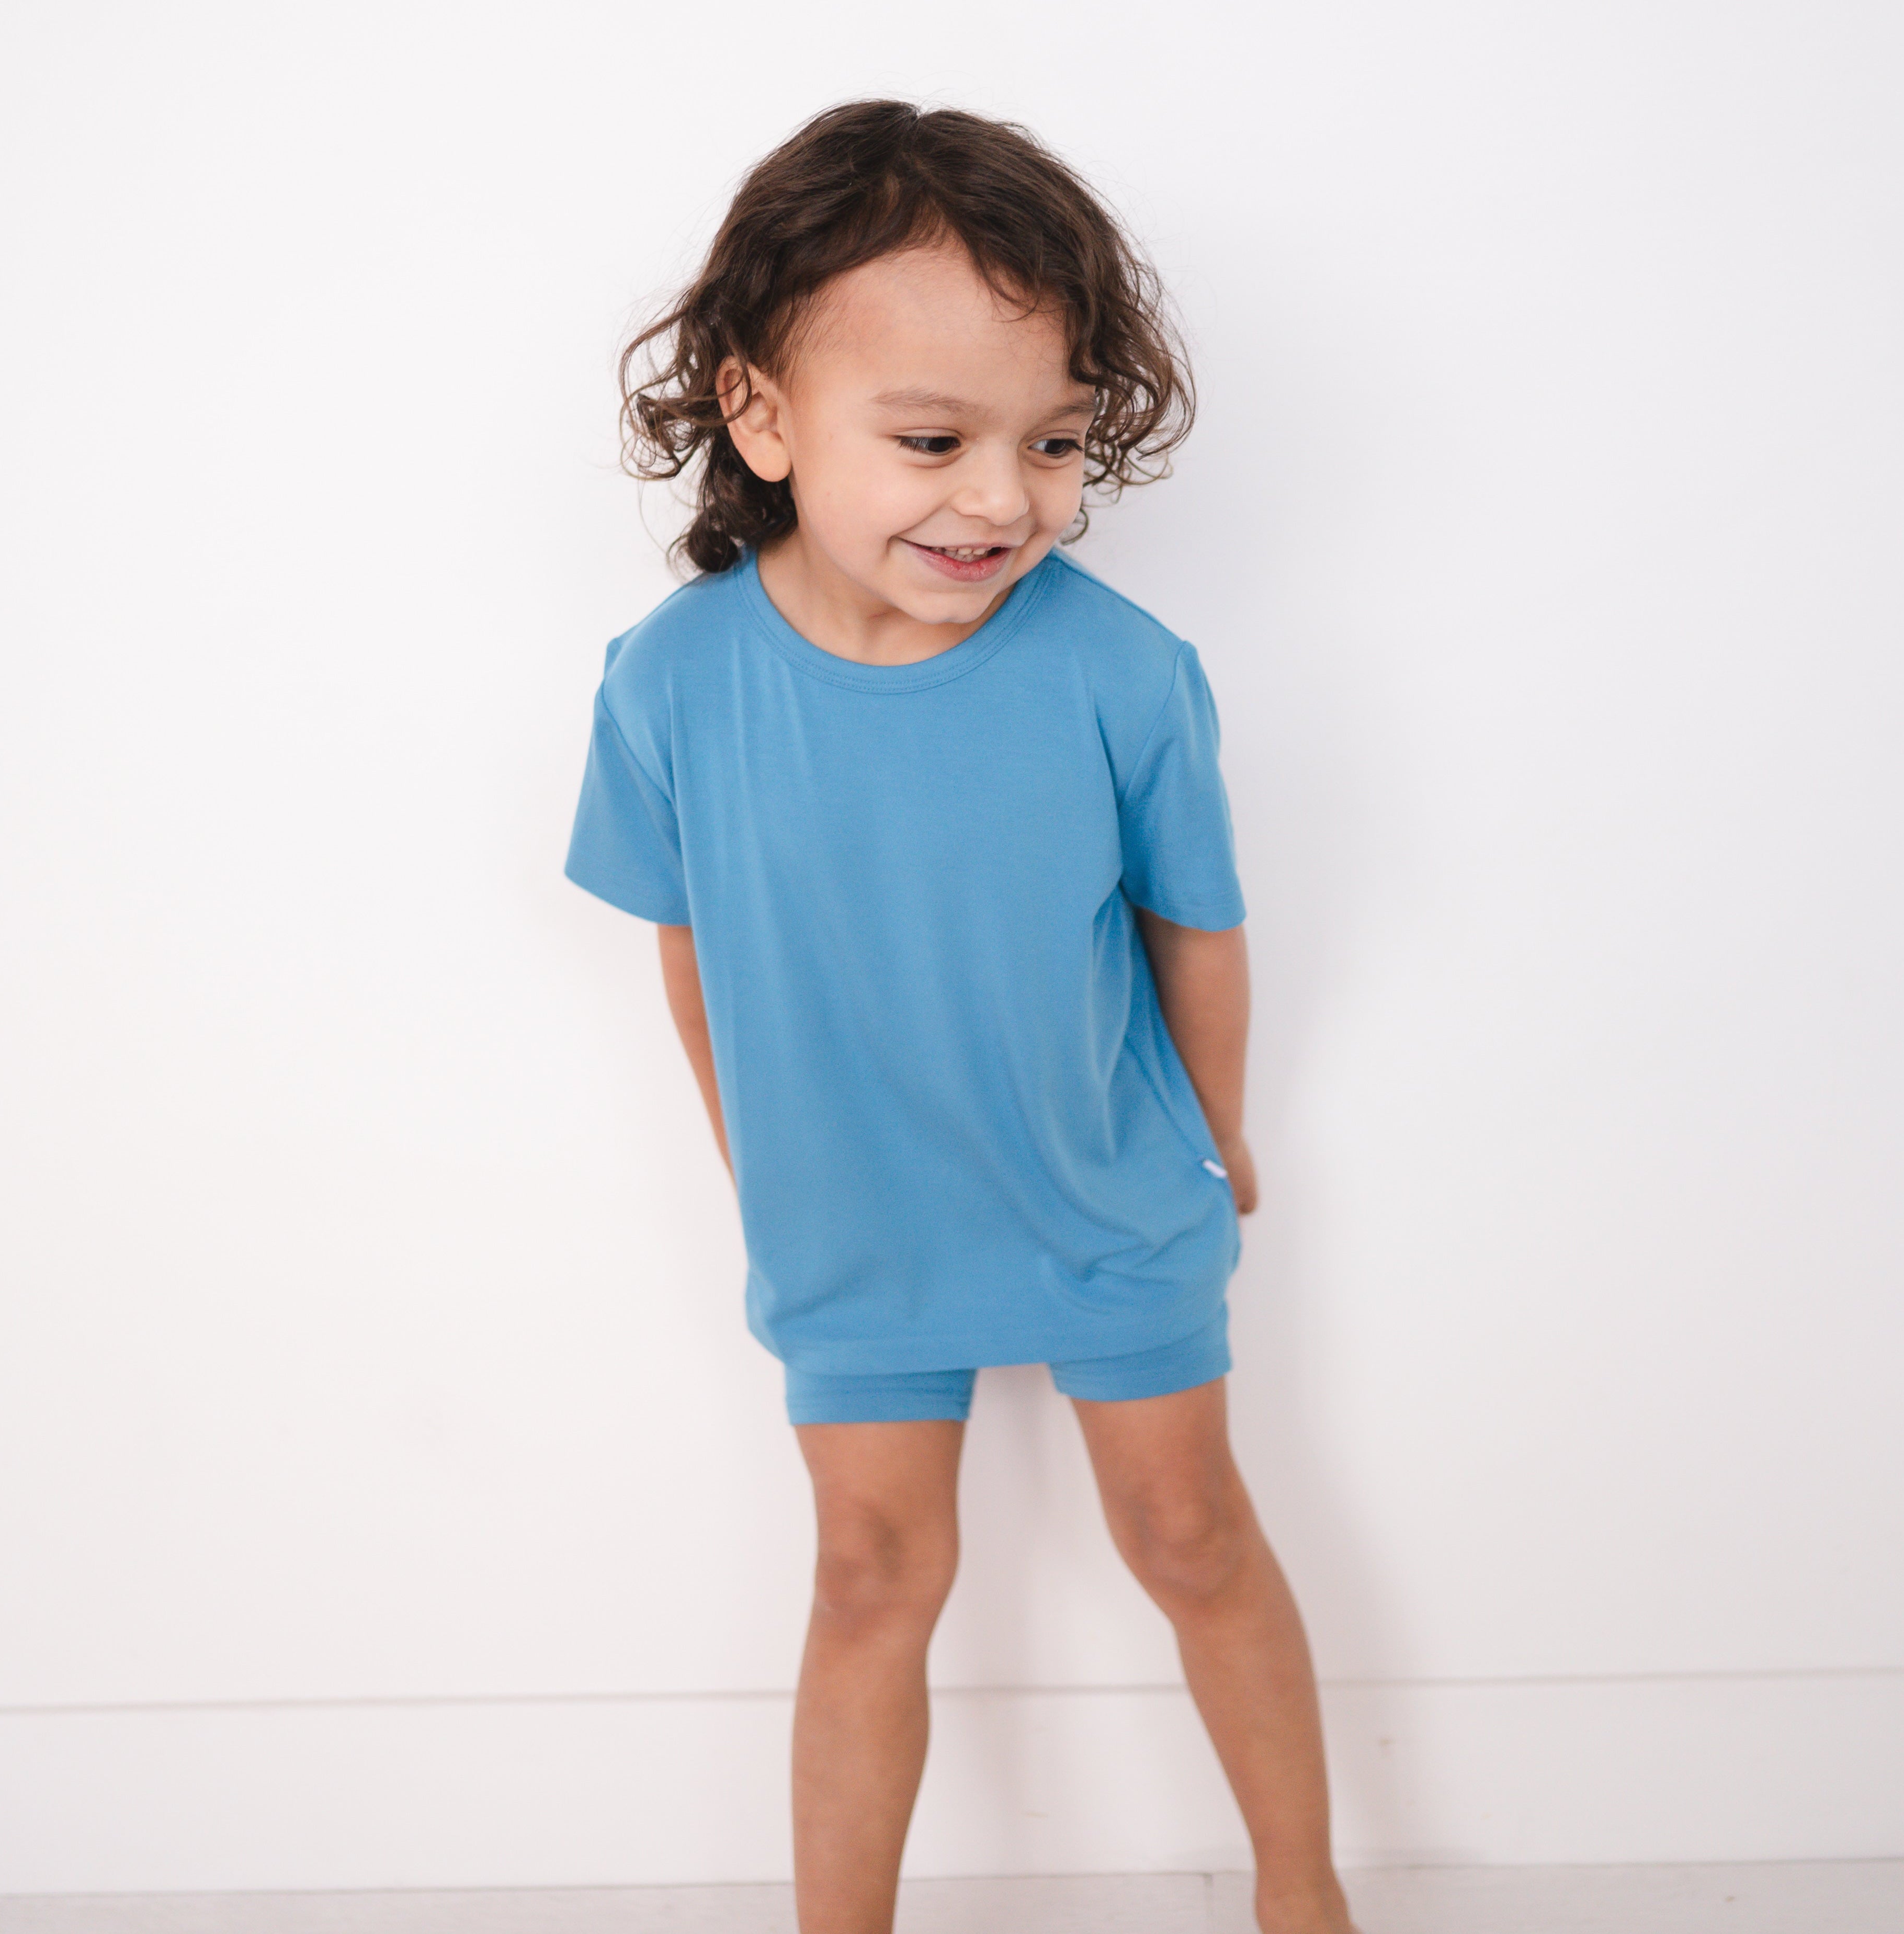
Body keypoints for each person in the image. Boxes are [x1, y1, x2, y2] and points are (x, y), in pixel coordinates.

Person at [565, 99, 1362, 1934]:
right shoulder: (673, 682)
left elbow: (1199, 936)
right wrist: (751, 1152)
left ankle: (1302, 1896)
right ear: (761, 415)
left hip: (1106, 1198)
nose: (1004, 499)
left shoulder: (1120, 673)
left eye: (1056, 442)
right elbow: (685, 937)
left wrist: (1214, 1133)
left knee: (1190, 1535)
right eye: (932, 439)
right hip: (853, 1224)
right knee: (864, 1575)